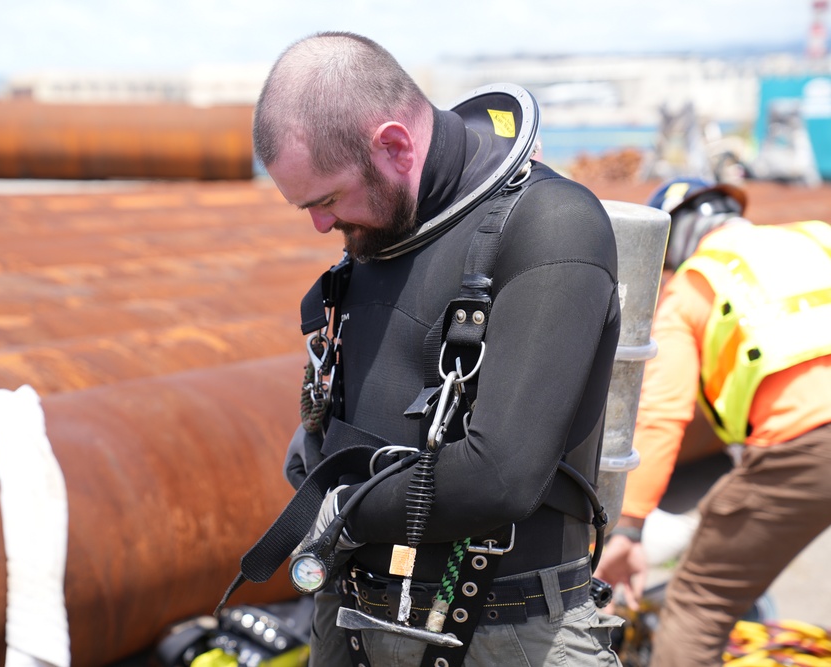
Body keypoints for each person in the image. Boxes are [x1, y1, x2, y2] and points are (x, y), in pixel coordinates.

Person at [252, 31, 624, 666]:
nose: (320, 225)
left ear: (394, 145)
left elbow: (499, 477)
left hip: (511, 634)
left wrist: (340, 507)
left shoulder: (551, 225)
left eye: (327, 200)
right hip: (350, 618)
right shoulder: (385, 227)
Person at [593, 177, 831, 666]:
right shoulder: (816, 237)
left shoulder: (696, 284)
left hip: (806, 444)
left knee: (699, 606)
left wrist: (629, 528)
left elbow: (662, 415)